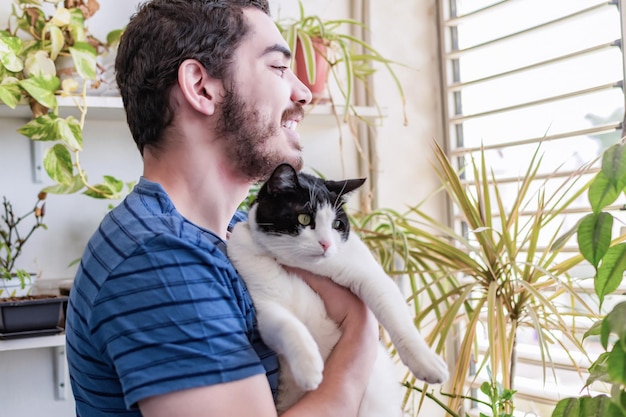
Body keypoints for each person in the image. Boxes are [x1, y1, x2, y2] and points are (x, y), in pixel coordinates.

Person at [64, 0, 379, 416]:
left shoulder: (231, 234)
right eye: (278, 68)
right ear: (202, 88)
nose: (303, 92)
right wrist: (363, 333)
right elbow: (351, 319)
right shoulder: (160, 257)